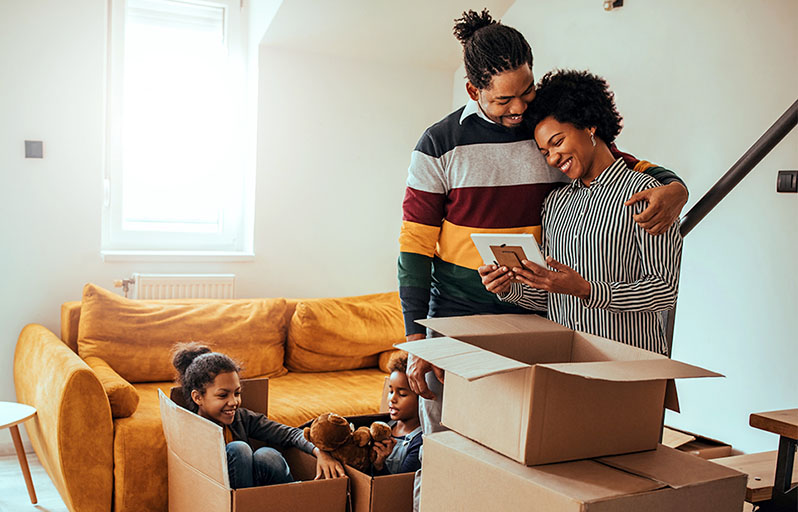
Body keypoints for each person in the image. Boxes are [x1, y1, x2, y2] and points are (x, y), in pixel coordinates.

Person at [398, 10, 687, 509]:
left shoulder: (551, 132)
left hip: (549, 330)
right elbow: (414, 247)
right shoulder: (441, 145)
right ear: (473, 92)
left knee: (523, 463)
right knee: (446, 449)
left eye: (525, 91)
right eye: (503, 99)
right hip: (462, 318)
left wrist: (676, 187)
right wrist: (417, 338)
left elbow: (620, 161)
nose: (518, 108)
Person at [479, 69, 683, 355]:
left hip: (629, 364)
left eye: (557, 142)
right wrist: (508, 287)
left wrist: (587, 290)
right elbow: (553, 294)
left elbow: (663, 291)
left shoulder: (645, 193)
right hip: (566, 362)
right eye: (544, 152)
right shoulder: (556, 204)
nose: (553, 158)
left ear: (589, 126)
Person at [171, 342, 345, 488]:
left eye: (237, 393)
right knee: (239, 449)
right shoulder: (189, 427)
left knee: (267, 455)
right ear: (198, 397)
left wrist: (319, 451)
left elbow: (290, 434)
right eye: (223, 395)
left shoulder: (241, 418)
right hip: (216, 496)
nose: (234, 402)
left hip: (255, 496)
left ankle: (295, 503)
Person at [371, 352, 422, 476]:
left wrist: (379, 465)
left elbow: (399, 487)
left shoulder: (419, 443)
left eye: (402, 394)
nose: (392, 399)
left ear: (421, 399)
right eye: (390, 391)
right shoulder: (386, 425)